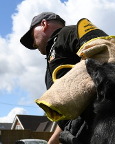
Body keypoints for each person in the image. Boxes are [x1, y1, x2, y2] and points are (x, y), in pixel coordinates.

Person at [20, 12, 108, 144]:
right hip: (78, 132)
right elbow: (68, 114)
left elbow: (107, 50)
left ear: (44, 24)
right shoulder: (51, 61)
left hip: (101, 126)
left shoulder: (67, 33)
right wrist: (52, 142)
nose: (33, 44)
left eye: (32, 37)